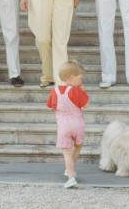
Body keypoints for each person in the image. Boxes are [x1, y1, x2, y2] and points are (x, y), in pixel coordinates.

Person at [46, 60, 90, 189]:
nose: (82, 80)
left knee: (66, 153)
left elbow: (51, 107)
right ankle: (70, 169)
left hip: (64, 126)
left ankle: (71, 177)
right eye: (80, 78)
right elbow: (85, 105)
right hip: (78, 124)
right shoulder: (76, 91)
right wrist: (84, 92)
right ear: (71, 78)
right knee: (77, 147)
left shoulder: (55, 91)